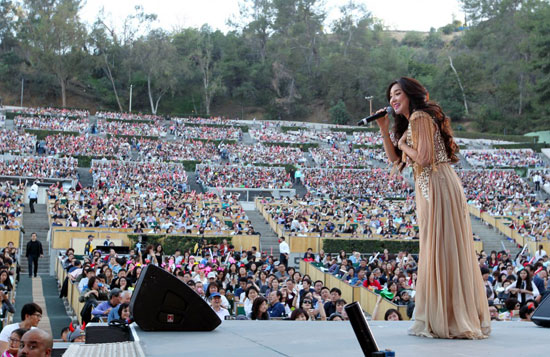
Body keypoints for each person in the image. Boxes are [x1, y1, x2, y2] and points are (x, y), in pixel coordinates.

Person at [376, 77, 490, 339]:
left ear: (410, 95)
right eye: (390, 96)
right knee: (439, 248)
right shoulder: (412, 122)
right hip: (430, 187)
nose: (392, 100)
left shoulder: (419, 118)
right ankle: (449, 314)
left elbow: (425, 158)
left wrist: (403, 143)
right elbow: (396, 160)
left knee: (441, 248)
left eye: (397, 94)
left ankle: (449, 318)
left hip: (437, 185)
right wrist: (385, 130)